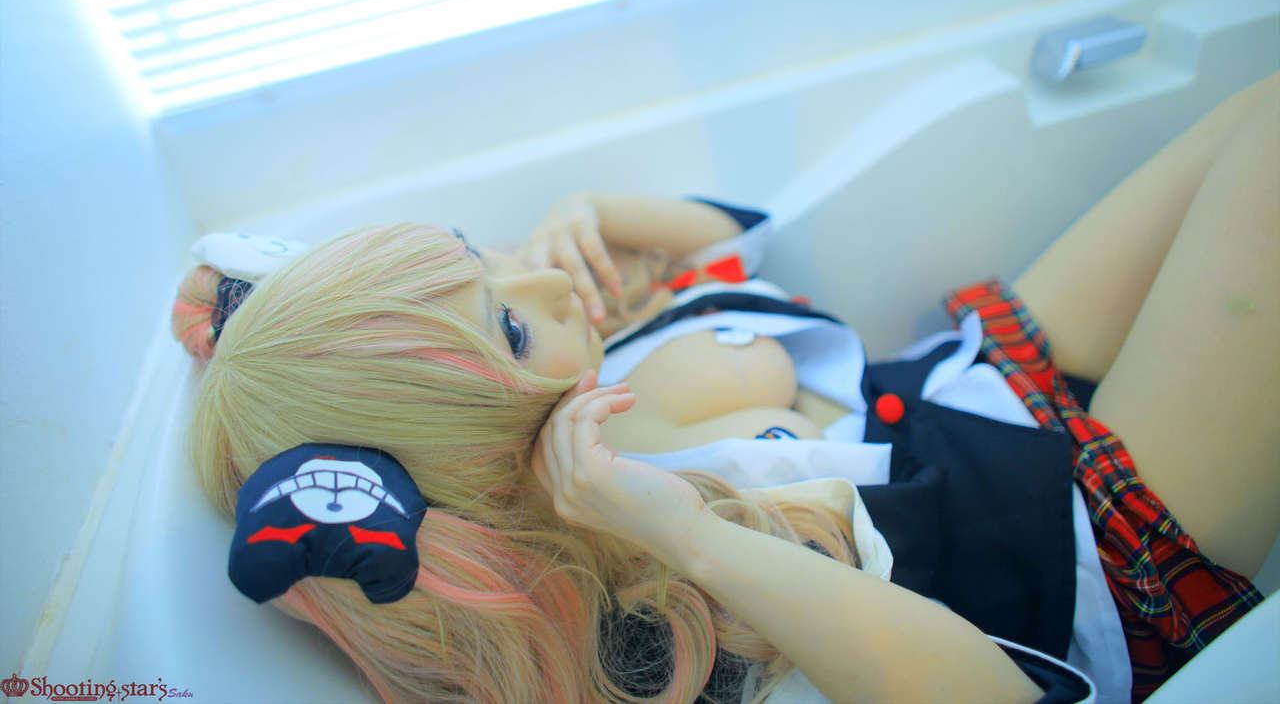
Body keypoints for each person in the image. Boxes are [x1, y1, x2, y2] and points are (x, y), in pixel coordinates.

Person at [171, 71, 1278, 704]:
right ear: (480, 458)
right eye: (508, 321)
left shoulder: (591, 379)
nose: (540, 279)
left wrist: (604, 216)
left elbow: (750, 251)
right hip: (1089, 551)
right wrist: (693, 540)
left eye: (480, 255)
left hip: (975, 388)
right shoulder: (650, 605)